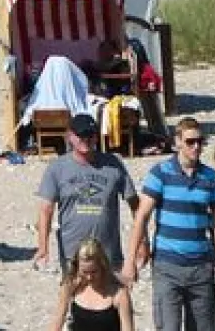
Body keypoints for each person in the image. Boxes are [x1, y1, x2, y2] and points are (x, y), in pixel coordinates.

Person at [124, 116, 215, 330]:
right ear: (178, 142)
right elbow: (142, 217)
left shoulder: (211, 178)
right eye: (190, 141)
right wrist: (130, 261)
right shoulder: (160, 173)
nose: (196, 147)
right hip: (167, 265)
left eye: (200, 141)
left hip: (201, 266)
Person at [35, 113, 141, 277]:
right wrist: (43, 247)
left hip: (108, 254)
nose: (86, 140)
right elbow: (45, 210)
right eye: (81, 135)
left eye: (90, 135)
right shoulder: (57, 168)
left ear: (96, 137)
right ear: (70, 136)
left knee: (114, 300)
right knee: (74, 299)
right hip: (73, 255)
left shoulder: (113, 164)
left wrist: (143, 242)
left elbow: (135, 204)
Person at [48, 238, 134, 331]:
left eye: (94, 272)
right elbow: (57, 320)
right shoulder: (72, 287)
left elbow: (127, 328)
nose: (89, 277)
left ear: (102, 266)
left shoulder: (119, 294)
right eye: (85, 272)